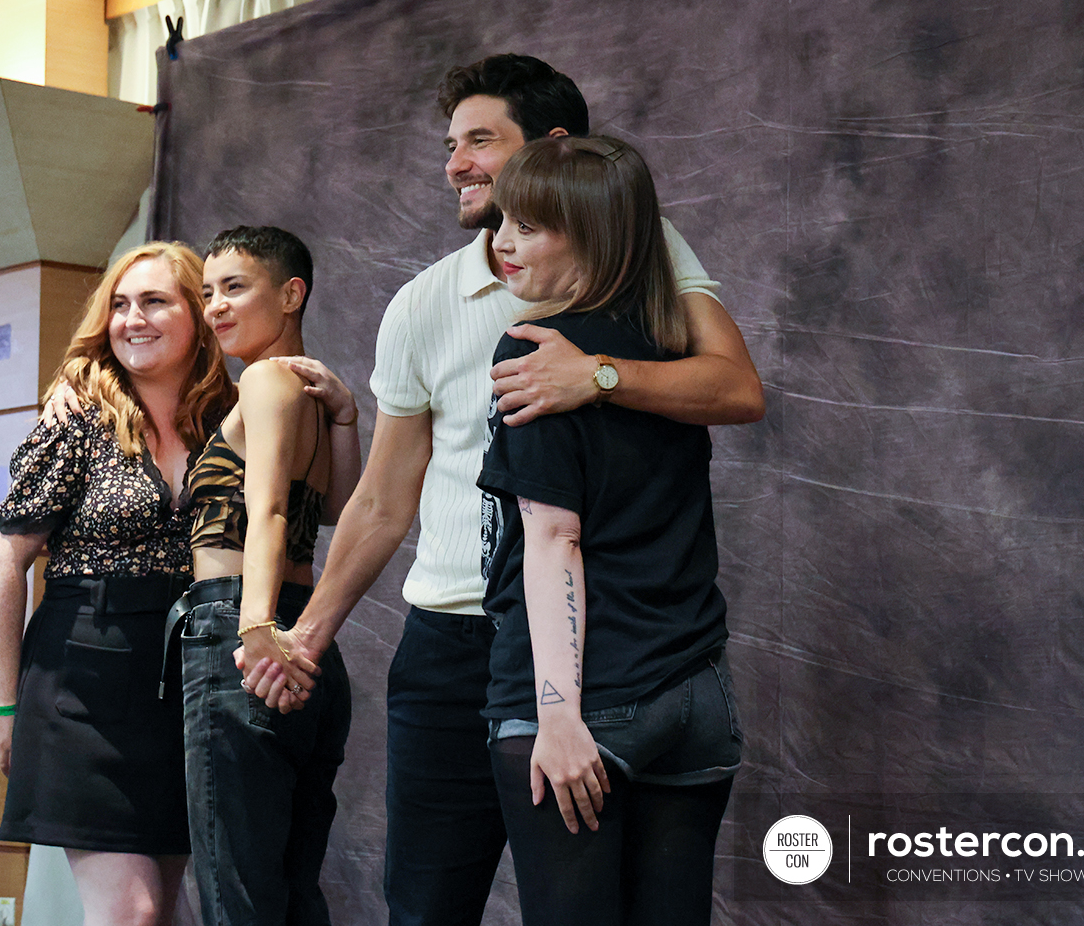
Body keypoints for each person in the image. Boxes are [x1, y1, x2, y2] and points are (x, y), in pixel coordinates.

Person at [240, 54, 764, 926]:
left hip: (601, 645)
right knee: (428, 904)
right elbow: (381, 497)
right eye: (451, 143)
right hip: (454, 642)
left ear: (555, 151)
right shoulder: (421, 303)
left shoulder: (643, 251)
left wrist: (592, 374)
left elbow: (736, 389)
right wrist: (307, 637)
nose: (455, 163)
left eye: (481, 139)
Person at [478, 134, 741, 926]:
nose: (502, 243)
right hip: (696, 694)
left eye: (529, 226)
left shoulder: (535, 349)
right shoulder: (672, 352)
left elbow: (555, 539)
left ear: (590, 236)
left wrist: (557, 713)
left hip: (590, 701)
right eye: (504, 221)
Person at [0, 241, 234, 926]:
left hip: (185, 682)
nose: (132, 319)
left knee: (169, 909)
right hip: (79, 682)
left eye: (154, 301)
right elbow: (5, 561)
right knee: (133, 911)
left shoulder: (230, 419)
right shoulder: (76, 420)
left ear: (198, 314)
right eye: (119, 305)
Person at [161, 226, 359, 925]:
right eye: (208, 291)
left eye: (234, 288)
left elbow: (271, 506)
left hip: (243, 631)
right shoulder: (305, 387)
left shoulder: (270, 379)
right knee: (291, 888)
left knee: (236, 891)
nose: (215, 307)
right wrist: (346, 419)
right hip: (307, 637)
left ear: (291, 293)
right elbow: (335, 504)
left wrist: (252, 624)